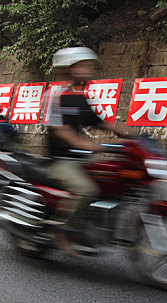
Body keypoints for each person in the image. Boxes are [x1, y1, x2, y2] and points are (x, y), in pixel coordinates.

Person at [47, 47, 129, 256]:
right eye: (83, 66)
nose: (88, 70)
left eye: (89, 66)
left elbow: (102, 123)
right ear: (70, 69)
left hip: (80, 158)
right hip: (61, 161)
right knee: (87, 190)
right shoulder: (56, 96)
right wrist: (92, 146)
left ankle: (92, 228)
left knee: (112, 181)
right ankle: (61, 231)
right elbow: (62, 132)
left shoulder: (82, 98)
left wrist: (133, 137)